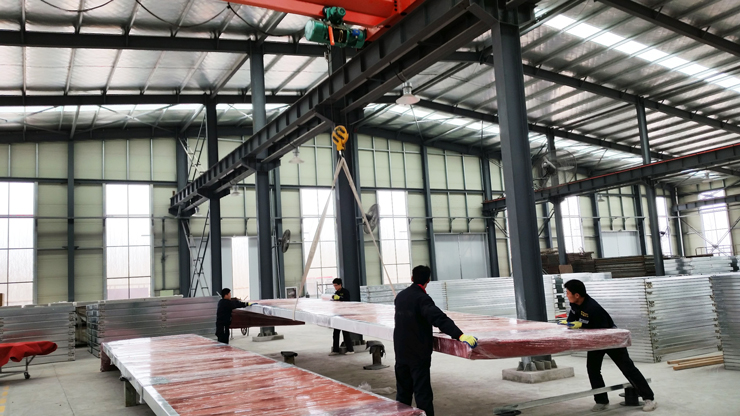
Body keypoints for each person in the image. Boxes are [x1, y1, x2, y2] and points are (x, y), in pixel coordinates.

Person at [561, 279, 657, 412]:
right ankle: (601, 401)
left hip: (611, 340)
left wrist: (581, 325)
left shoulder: (593, 308)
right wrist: (570, 324)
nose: (566, 295)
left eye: (568, 293)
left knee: (627, 368)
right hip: (596, 341)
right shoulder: (575, 304)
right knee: (593, 369)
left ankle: (649, 398)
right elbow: (572, 320)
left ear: (576, 295)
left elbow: (601, 330)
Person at [394, 265, 478, 416]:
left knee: (402, 394)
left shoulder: (400, 296)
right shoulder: (422, 298)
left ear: (412, 278)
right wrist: (459, 335)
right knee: (422, 393)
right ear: (428, 280)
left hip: (401, 352)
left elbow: (412, 319)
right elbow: (438, 318)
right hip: (418, 354)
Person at [328, 278, 355, 356]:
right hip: (338, 314)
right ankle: (335, 350)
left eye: (336, 285)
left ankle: (350, 349)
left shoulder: (345, 291)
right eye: (334, 286)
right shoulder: (336, 293)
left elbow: (347, 301)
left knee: (345, 333)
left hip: (344, 314)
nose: (335, 287)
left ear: (340, 284)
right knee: (336, 333)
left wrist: (340, 298)